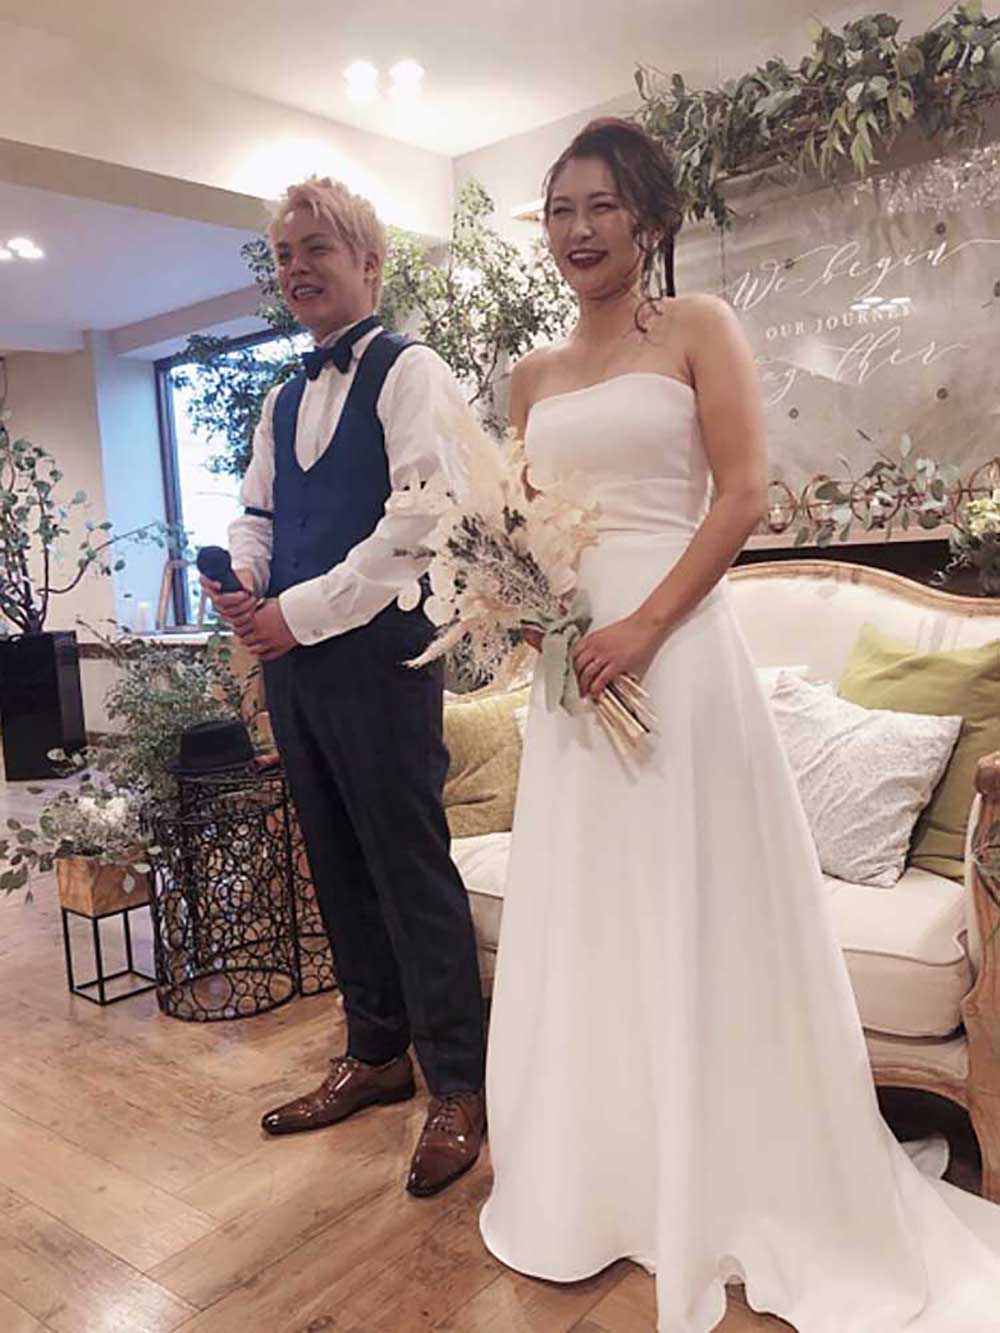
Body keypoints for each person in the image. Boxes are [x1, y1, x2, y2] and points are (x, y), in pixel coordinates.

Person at [479, 118, 1000, 1330]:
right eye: (558, 209)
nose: (577, 230)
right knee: (593, 917)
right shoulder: (530, 375)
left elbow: (745, 493)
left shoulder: (699, 328)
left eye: (600, 206)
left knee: (690, 906)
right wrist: (537, 616)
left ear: (648, 219)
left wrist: (643, 628)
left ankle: (724, 1180)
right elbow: (518, 525)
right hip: (574, 679)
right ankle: (601, 1178)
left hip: (675, 661)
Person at [200, 176, 485, 1198]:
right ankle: (375, 1053)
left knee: (409, 864)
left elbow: (418, 524)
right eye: (285, 255)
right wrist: (244, 581)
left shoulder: (413, 372)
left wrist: (298, 611)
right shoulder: (281, 398)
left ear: (369, 262)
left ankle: (459, 1082)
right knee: (332, 858)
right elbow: (257, 514)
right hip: (294, 665)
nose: (297, 269)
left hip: (382, 658)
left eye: (317, 248)